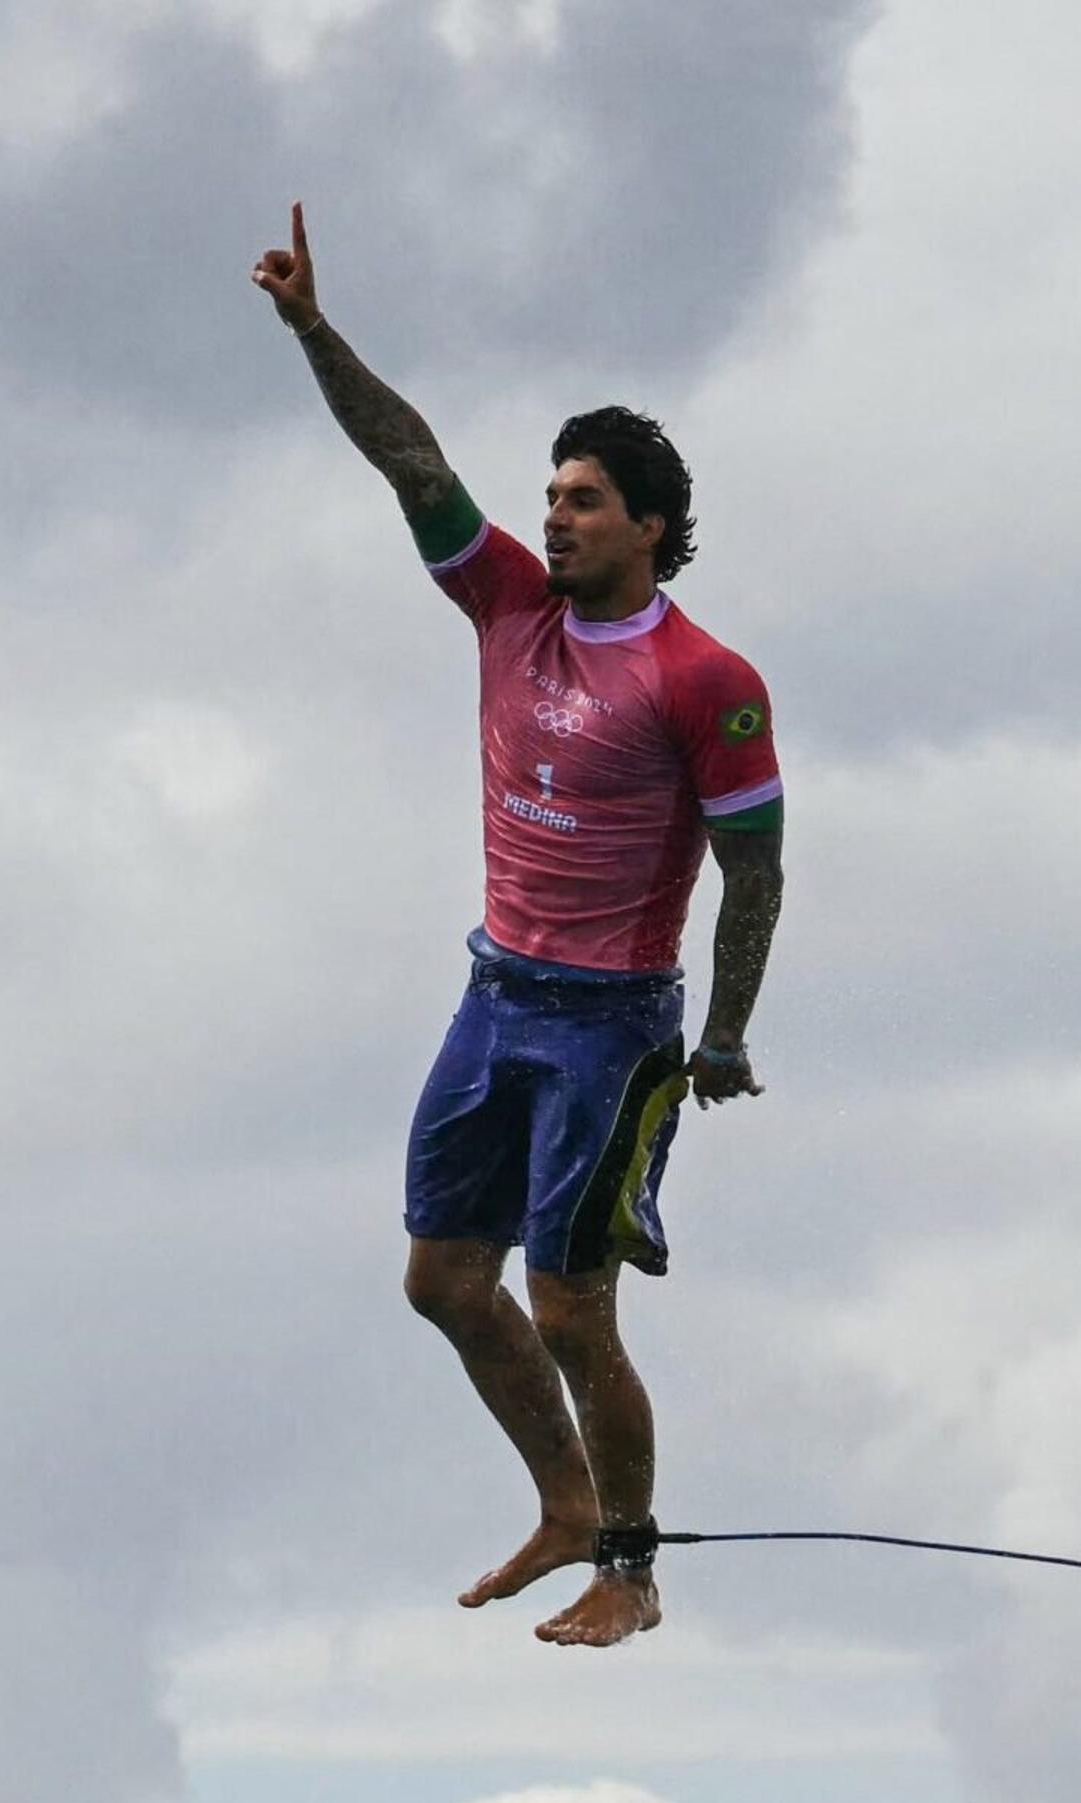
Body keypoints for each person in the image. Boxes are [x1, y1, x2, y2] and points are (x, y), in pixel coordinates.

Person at [252, 203, 787, 1650]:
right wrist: (313, 330)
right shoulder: (506, 606)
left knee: (569, 1306)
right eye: (551, 494)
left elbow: (756, 871)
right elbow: (409, 458)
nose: (554, 515)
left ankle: (631, 1564)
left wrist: (725, 1035)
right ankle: (562, 1502)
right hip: (496, 997)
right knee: (442, 1281)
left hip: (611, 1029)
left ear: (652, 528)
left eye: (585, 501)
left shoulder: (705, 678)